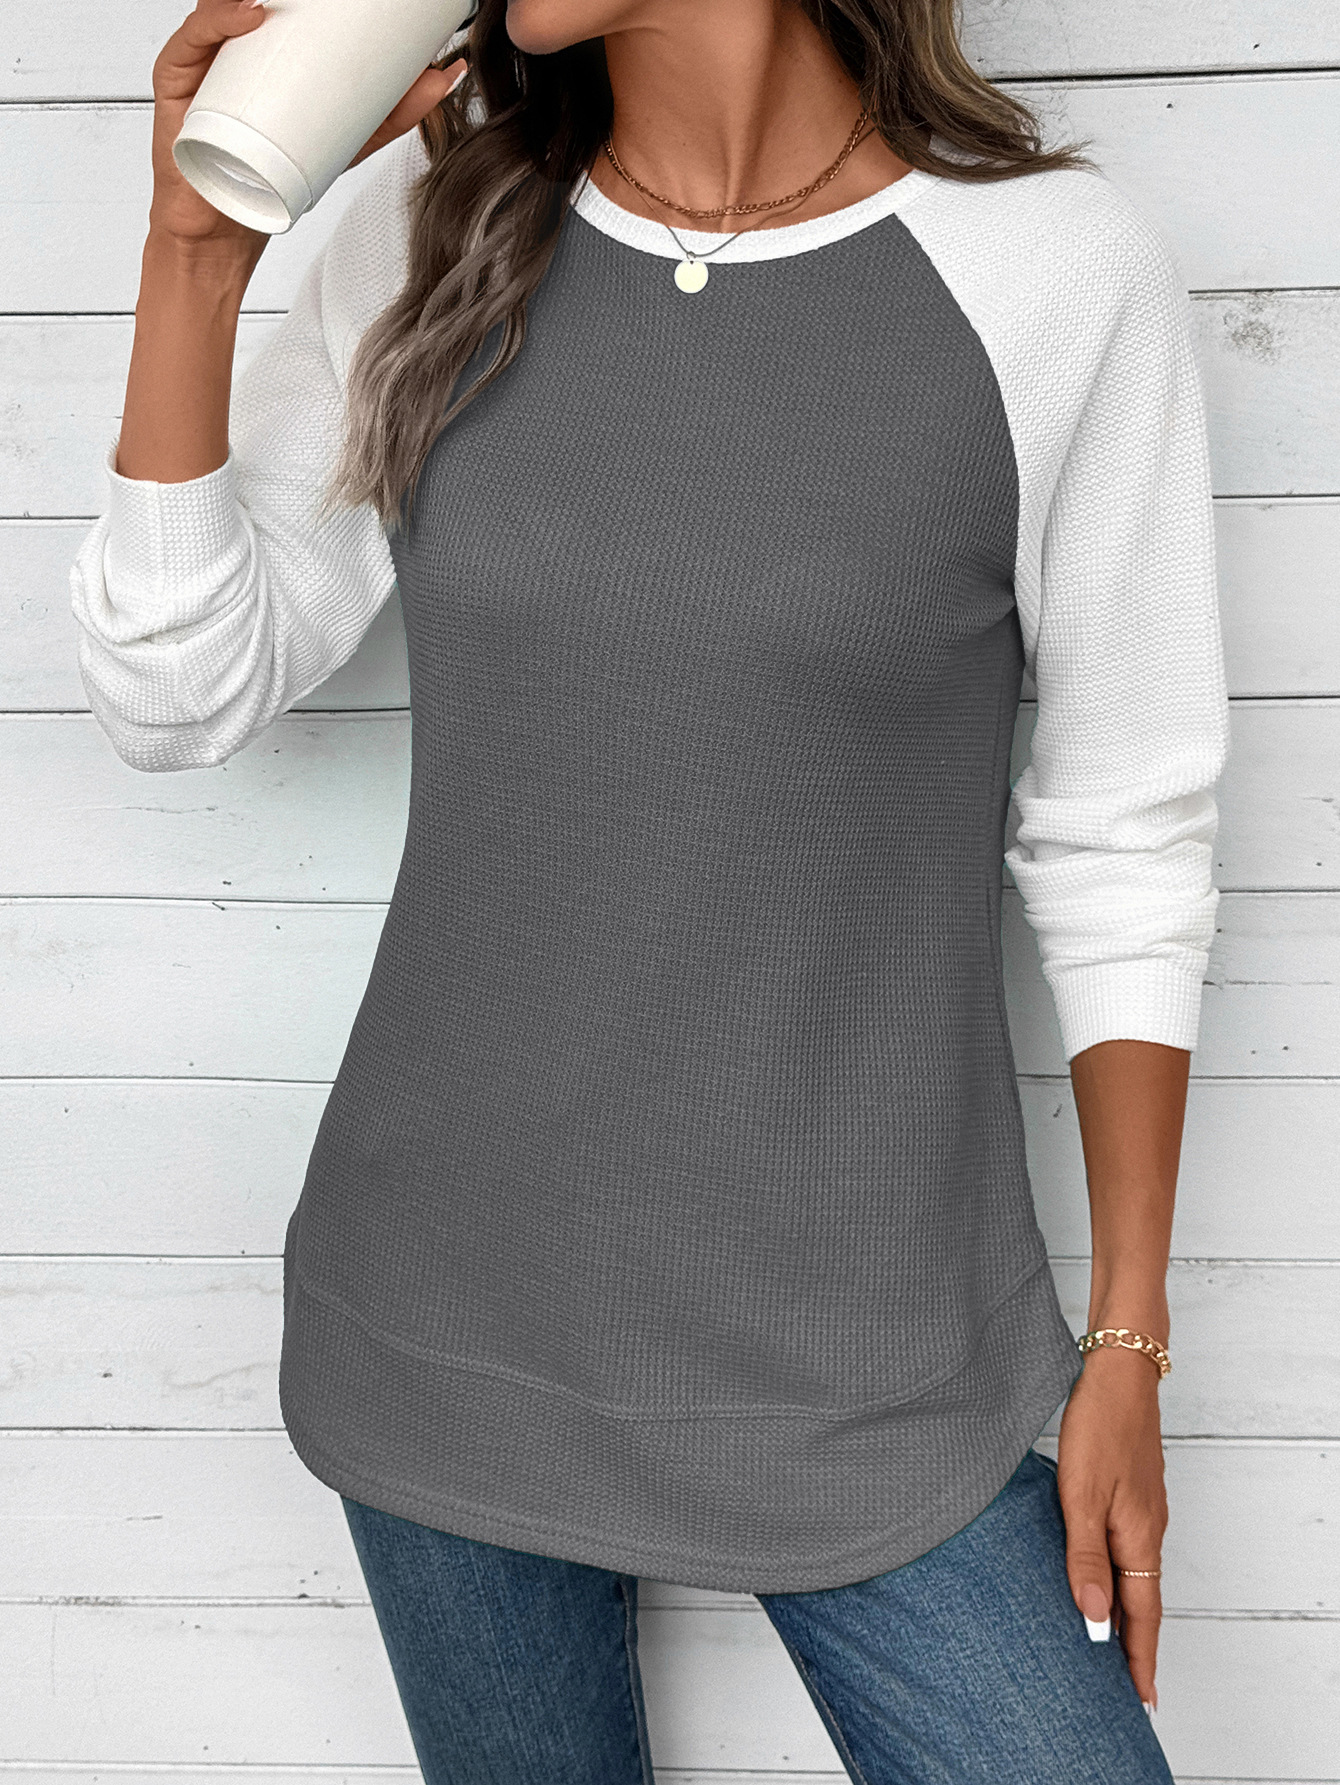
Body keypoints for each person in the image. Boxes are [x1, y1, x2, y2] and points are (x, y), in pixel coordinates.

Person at [70, 1, 1230, 1779]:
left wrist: (1129, 1339)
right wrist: (197, 252)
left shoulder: (1055, 272)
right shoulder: (430, 230)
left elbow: (1124, 828)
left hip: (868, 1360)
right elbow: (177, 697)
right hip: (445, 1316)